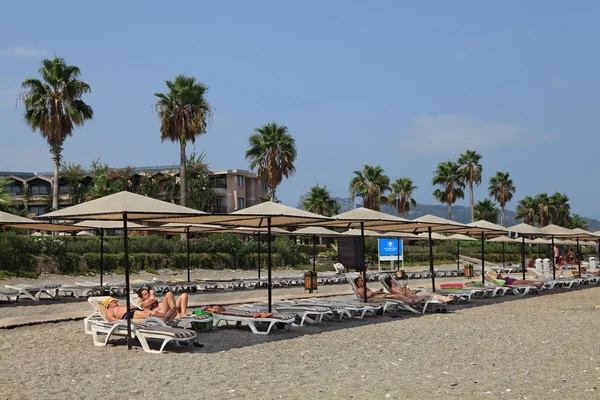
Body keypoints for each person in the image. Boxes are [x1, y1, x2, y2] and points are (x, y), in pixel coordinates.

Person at [383, 276, 455, 304]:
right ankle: (444, 299)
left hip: (413, 293)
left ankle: (444, 298)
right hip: (413, 295)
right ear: (390, 282)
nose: (393, 280)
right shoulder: (393, 289)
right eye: (392, 280)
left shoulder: (395, 287)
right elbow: (402, 294)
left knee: (430, 294)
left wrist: (404, 287)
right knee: (430, 294)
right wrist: (404, 288)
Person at [354, 276, 423, 305]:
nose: (363, 282)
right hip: (374, 298)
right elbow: (364, 297)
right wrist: (375, 293)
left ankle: (410, 300)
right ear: (357, 283)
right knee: (395, 296)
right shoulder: (360, 290)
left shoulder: (365, 288)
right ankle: (410, 300)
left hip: (378, 295)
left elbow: (370, 293)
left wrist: (378, 291)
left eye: (362, 280)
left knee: (397, 295)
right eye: (361, 281)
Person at [103, 297, 177, 322]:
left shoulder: (119, 306)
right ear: (108, 305)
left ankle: (165, 316)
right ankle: (165, 319)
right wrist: (120, 322)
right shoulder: (110, 309)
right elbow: (110, 318)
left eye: (114, 300)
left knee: (153, 312)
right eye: (111, 301)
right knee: (148, 314)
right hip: (128, 314)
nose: (114, 301)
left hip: (137, 310)